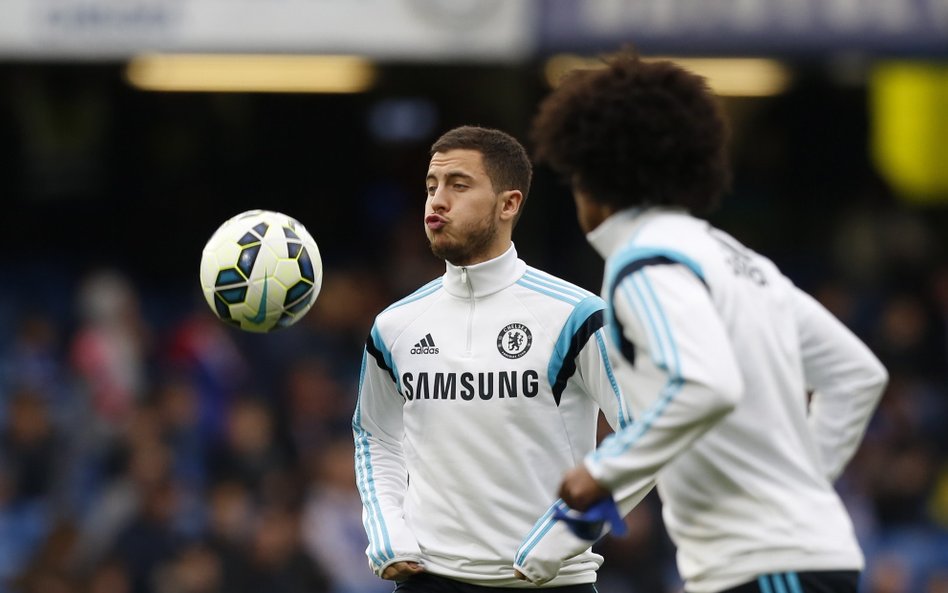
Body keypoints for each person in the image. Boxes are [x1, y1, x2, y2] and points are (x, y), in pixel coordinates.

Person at [514, 49, 889, 593]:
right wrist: (802, 489)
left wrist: (602, 470)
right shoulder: (737, 259)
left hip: (764, 566)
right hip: (779, 558)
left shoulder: (644, 264)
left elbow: (703, 384)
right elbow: (857, 374)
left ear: (594, 177)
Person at [352, 125, 631, 591]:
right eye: (431, 186)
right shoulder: (394, 325)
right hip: (428, 580)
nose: (437, 201)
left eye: (458, 185)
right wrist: (387, 532)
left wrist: (564, 536)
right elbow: (375, 435)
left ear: (509, 204)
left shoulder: (576, 316)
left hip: (550, 582)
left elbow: (646, 435)